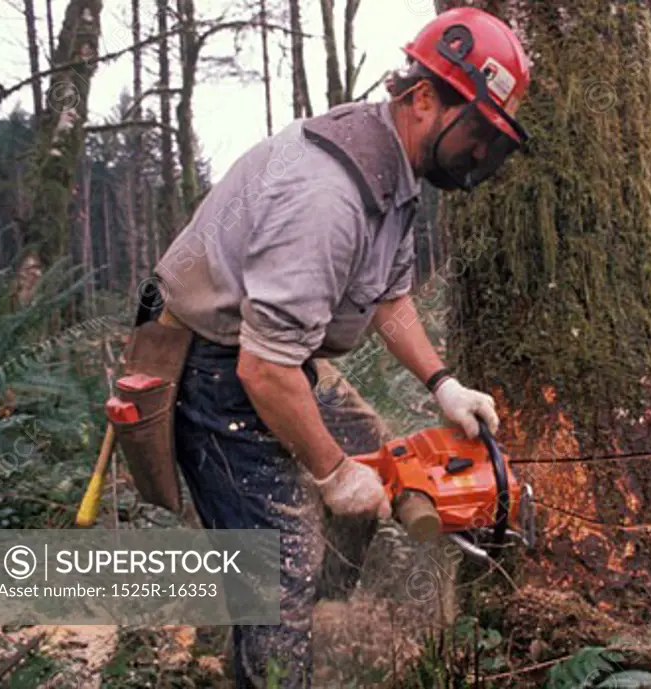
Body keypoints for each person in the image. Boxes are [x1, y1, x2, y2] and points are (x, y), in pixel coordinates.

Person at [148, 6, 531, 687]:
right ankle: (273, 637)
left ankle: (315, 614)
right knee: (277, 567)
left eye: (490, 140)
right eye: (475, 130)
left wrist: (442, 382)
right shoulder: (328, 194)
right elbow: (261, 369)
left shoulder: (396, 167)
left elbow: (389, 298)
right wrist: (329, 471)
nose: (479, 152)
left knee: (384, 461)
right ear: (422, 99)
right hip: (213, 365)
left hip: (275, 357)